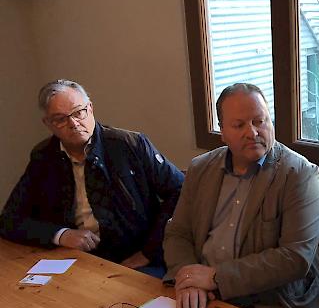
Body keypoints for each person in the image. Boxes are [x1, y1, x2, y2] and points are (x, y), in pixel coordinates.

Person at [164, 83, 319, 308]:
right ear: (223, 133)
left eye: (260, 121)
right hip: (202, 296)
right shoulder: (201, 168)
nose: (252, 132)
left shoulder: (299, 175)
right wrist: (189, 279)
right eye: (239, 125)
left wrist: (216, 277)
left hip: (268, 304)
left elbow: (295, 258)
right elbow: (178, 233)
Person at [0, 79, 184, 277]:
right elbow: (9, 220)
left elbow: (181, 192)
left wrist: (149, 252)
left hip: (135, 256)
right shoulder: (44, 157)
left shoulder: (129, 145)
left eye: (79, 112)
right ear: (48, 124)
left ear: (90, 108)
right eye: (61, 119)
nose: (73, 123)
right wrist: (61, 235)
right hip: (74, 258)